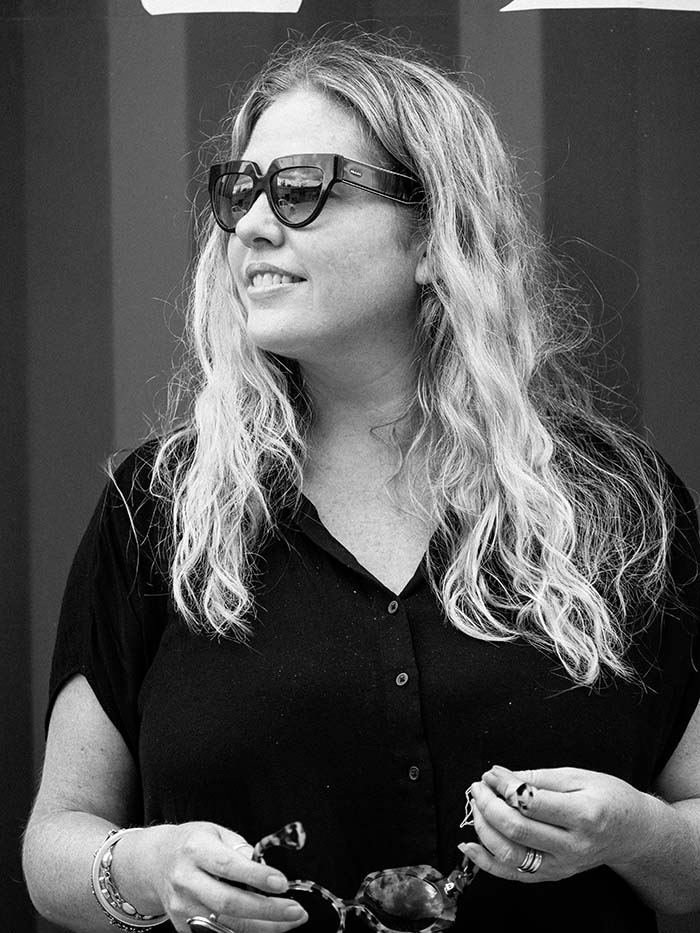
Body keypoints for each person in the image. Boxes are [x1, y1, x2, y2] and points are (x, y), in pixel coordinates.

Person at [22, 29, 700, 933]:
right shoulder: (158, 506)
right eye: (241, 191)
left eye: (303, 189)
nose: (253, 224)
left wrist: (635, 832)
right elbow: (54, 844)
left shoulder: (617, 501)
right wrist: (148, 868)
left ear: (433, 233)